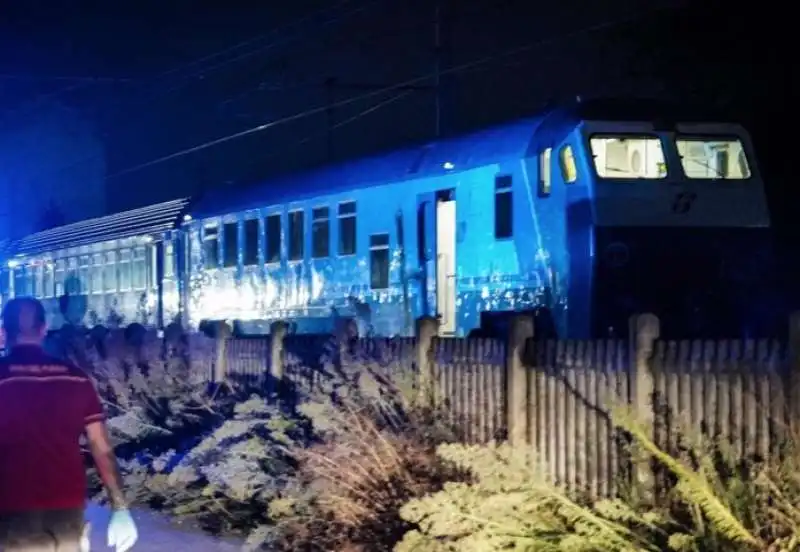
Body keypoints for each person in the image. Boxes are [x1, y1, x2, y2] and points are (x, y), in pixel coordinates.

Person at [0, 297, 138, 551]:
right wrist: (119, 507)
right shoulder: (75, 378)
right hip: (67, 507)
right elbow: (101, 447)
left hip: (13, 507)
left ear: (3, 332)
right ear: (43, 329)